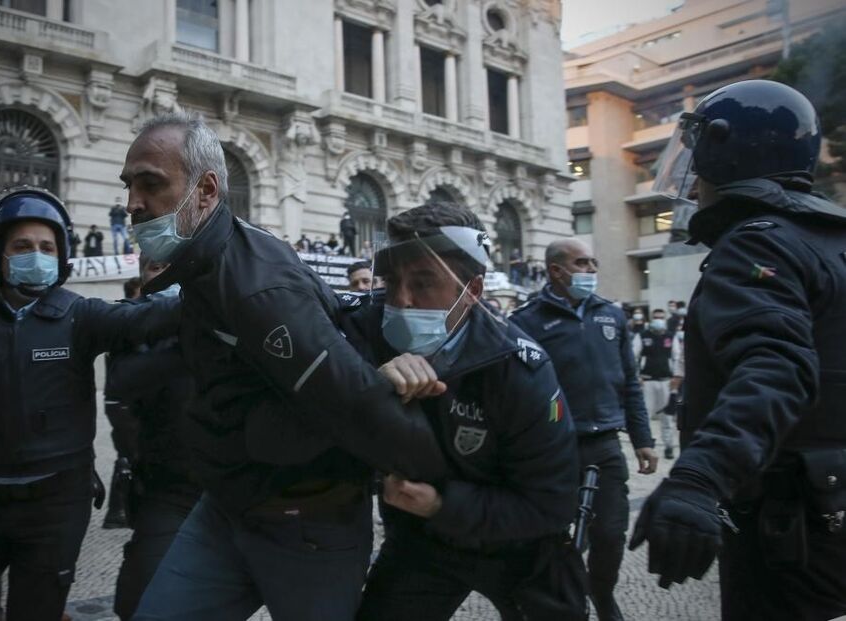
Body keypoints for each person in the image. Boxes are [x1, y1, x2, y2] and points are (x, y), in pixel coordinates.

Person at [121, 113, 447, 621]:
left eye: (151, 184)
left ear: (206, 190)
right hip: (227, 509)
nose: (134, 203)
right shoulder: (207, 264)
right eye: (129, 185)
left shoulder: (258, 291)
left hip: (308, 527)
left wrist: (465, 499)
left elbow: (360, 406)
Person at [629, 79, 846, 620]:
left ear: (726, 151)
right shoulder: (831, 240)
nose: (694, 178)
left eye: (698, 155)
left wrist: (701, 476)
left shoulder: (759, 240)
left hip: (791, 522)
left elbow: (777, 366)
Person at [0, 186, 179, 621]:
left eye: (45, 247)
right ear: (0, 253)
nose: (34, 255)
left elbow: (144, 319)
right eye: (22, 246)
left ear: (61, 256)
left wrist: (205, 289)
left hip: (56, 509)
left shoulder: (81, 316)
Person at [348, 203, 581, 621]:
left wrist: (441, 504)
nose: (400, 299)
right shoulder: (364, 332)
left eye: (423, 282)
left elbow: (551, 505)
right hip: (421, 543)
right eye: (391, 280)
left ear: (471, 291)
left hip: (523, 550)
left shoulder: (521, 369)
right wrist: (370, 389)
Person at [511, 238, 657, 621]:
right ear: (557, 271)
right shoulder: (525, 321)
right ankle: (558, 600)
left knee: (610, 532)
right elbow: (513, 392)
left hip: (606, 443)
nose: (592, 270)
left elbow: (629, 381)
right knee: (555, 535)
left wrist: (643, 439)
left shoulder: (613, 315)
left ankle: (602, 592)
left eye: (594, 262)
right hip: (553, 447)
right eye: (582, 263)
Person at [109, 257, 201, 620]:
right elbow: (119, 403)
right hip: (167, 488)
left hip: (229, 488)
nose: (164, 276)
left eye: (172, 267)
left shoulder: (229, 319)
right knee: (135, 598)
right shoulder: (130, 334)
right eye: (154, 268)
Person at [102, 276, 144, 530]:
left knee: (126, 454)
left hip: (120, 399)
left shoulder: (122, 317)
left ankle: (118, 510)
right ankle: (118, 510)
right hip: (123, 401)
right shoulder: (127, 319)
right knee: (128, 455)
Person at [635, 309, 682, 460]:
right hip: (647, 381)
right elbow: (632, 356)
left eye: (661, 318)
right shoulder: (642, 336)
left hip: (667, 382)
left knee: (667, 416)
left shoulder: (670, 336)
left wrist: (677, 377)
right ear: (651, 319)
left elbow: (677, 357)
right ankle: (648, 445)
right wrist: (636, 377)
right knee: (645, 415)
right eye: (656, 318)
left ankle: (668, 446)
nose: (658, 320)